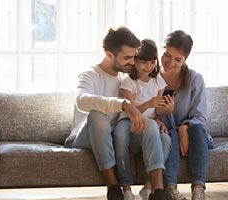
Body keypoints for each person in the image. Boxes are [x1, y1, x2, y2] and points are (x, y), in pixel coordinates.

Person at [64, 26, 166, 200]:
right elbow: (82, 100)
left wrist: (157, 118)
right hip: (88, 136)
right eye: (127, 58)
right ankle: (113, 187)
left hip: (117, 136)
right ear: (109, 54)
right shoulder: (89, 74)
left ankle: (157, 192)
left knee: (162, 136)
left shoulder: (125, 79)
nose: (133, 63)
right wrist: (123, 104)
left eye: (134, 57)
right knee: (98, 115)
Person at [113, 39, 173, 200]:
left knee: (166, 140)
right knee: (119, 136)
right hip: (127, 120)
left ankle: (149, 187)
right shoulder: (128, 82)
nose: (148, 66)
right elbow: (130, 111)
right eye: (143, 62)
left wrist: (165, 111)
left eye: (152, 62)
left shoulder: (158, 80)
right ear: (135, 61)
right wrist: (149, 104)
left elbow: (157, 110)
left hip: (150, 124)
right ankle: (126, 187)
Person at [159, 30, 214, 200]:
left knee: (197, 128)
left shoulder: (194, 79)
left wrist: (185, 126)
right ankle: (170, 188)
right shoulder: (151, 76)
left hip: (194, 136)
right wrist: (161, 122)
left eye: (178, 59)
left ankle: (198, 189)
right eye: (167, 55)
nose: (170, 62)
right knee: (169, 134)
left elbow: (200, 116)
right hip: (168, 134)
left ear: (185, 60)